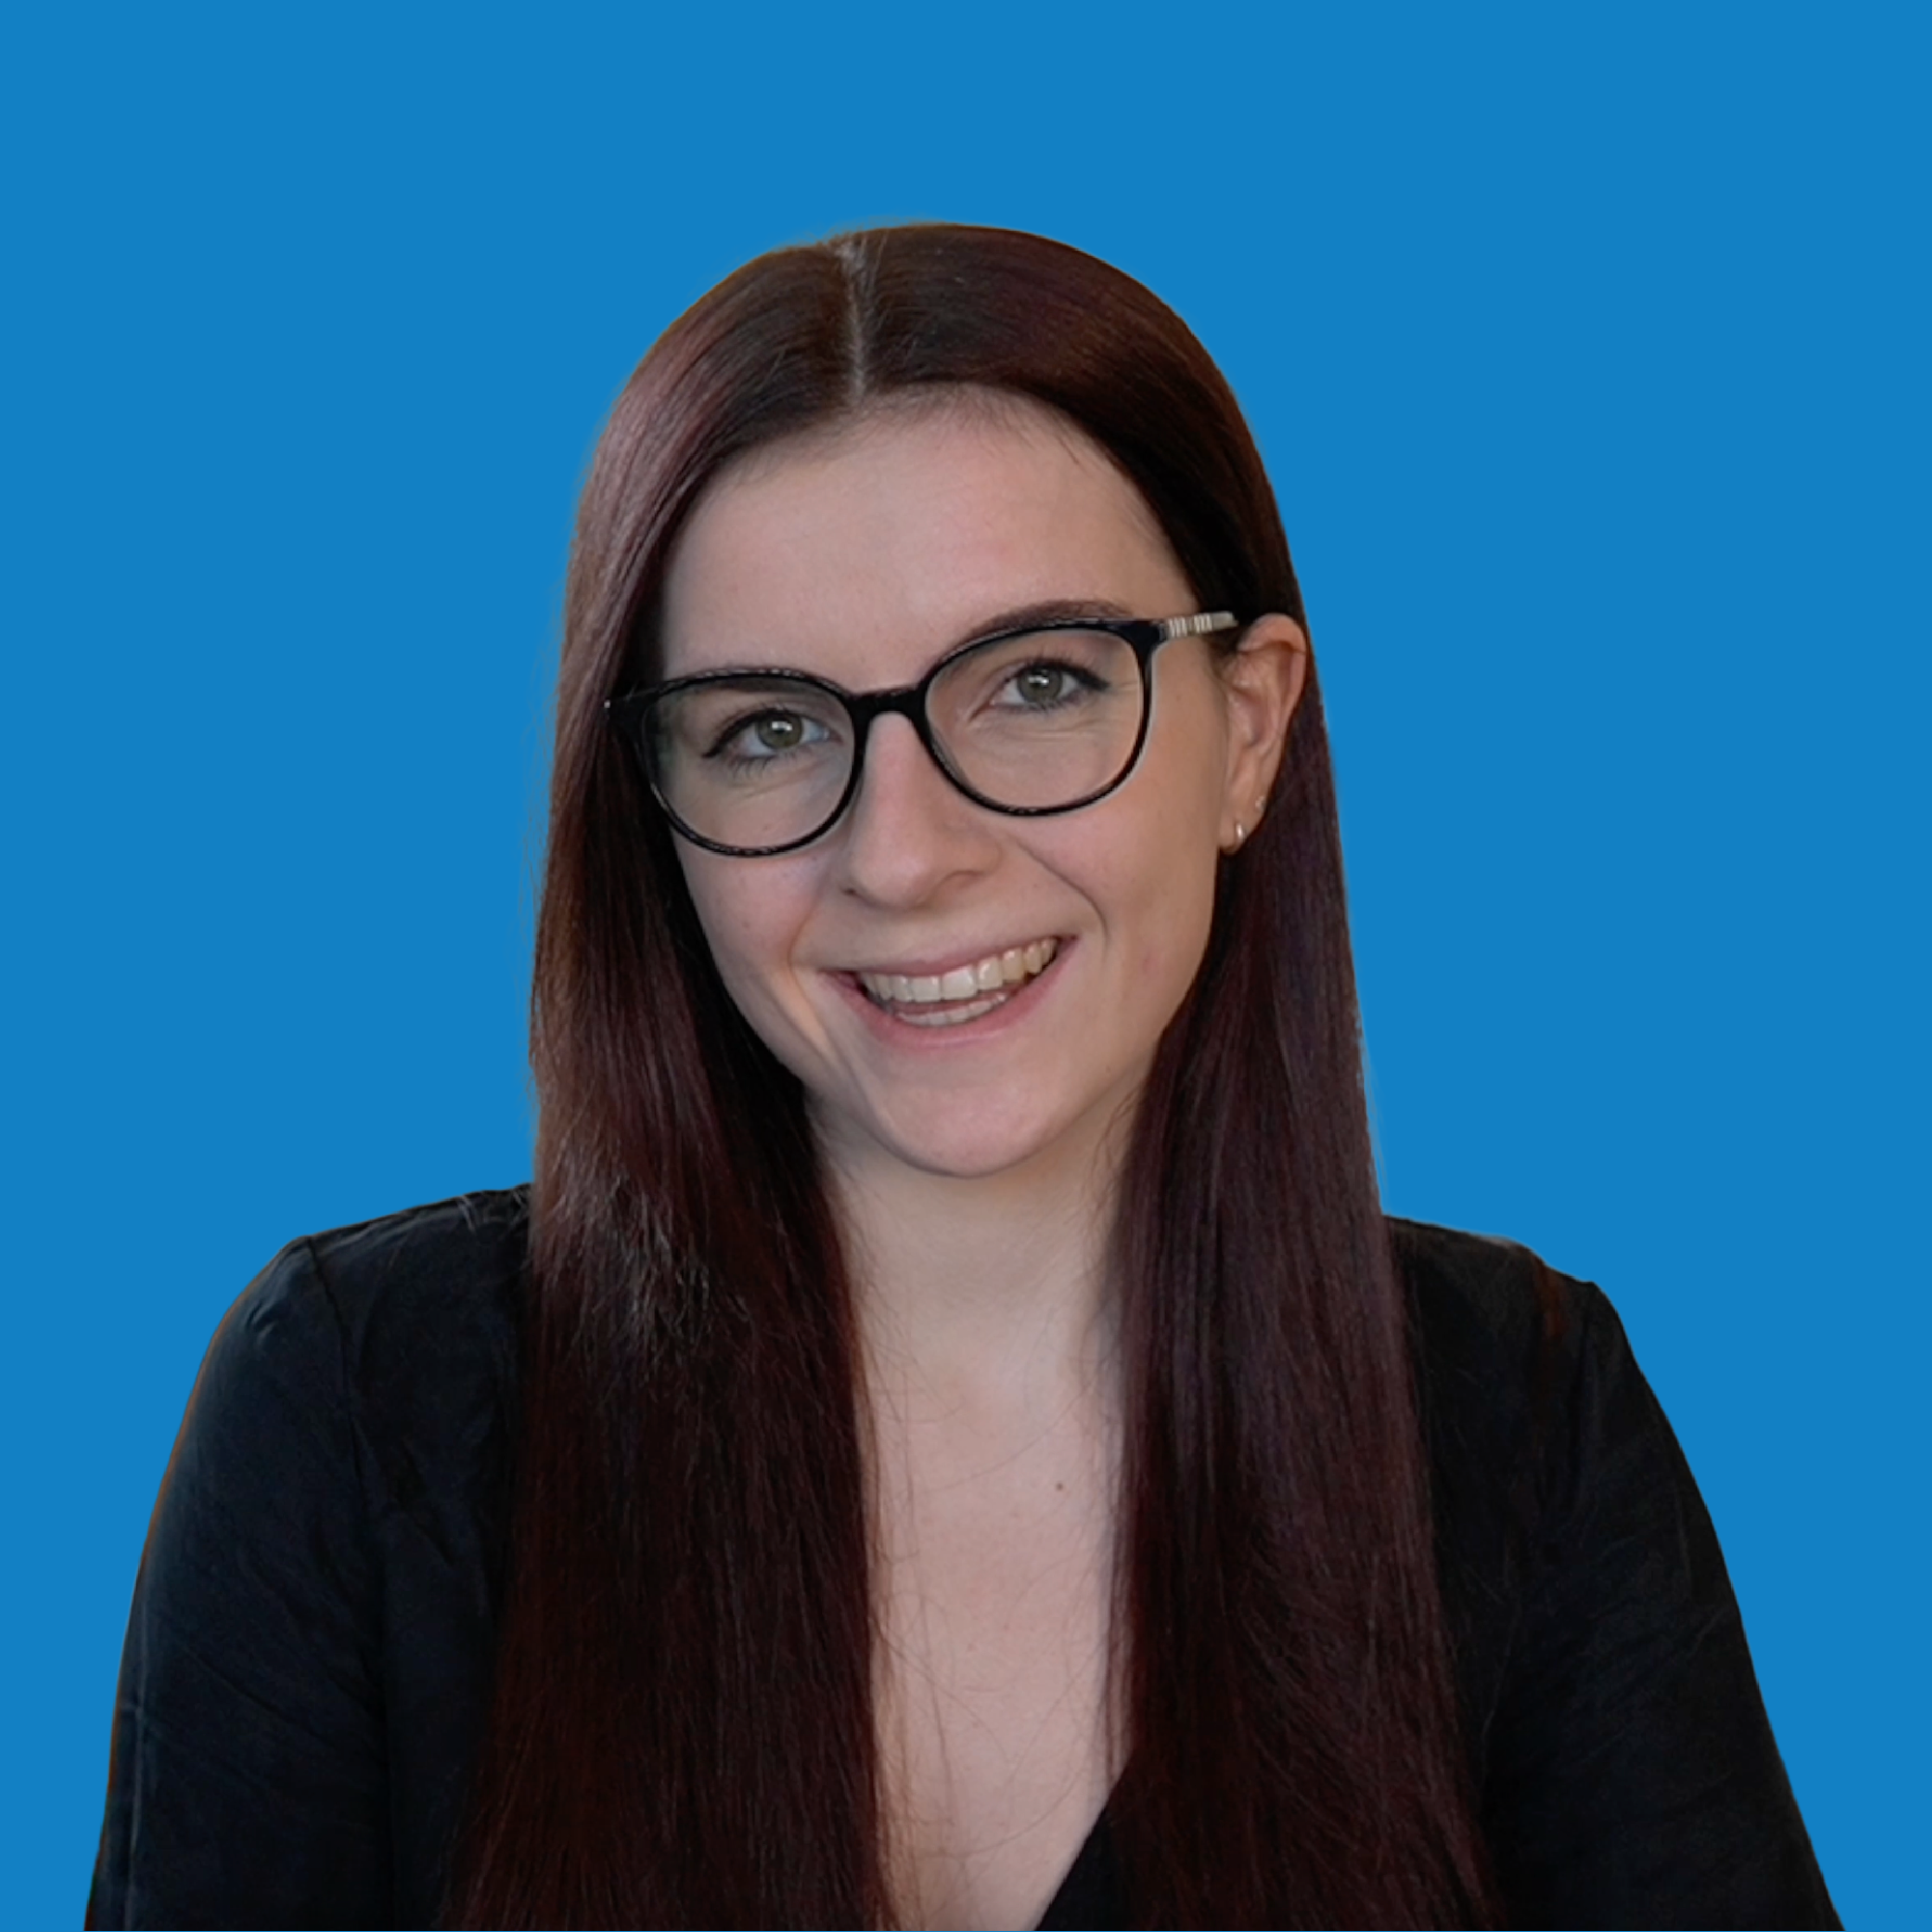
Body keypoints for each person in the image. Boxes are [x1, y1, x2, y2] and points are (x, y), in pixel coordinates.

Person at [87, 223, 1837, 1931]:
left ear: (1247, 730)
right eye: (770, 730)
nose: (904, 857)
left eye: (1040, 684)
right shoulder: (358, 1412)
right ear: (653, 815)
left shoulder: (1526, 1423)